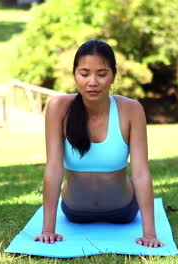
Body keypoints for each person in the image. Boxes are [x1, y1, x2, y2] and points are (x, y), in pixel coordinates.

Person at [33, 40, 163, 248]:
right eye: (84, 74)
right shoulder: (59, 107)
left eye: (101, 74)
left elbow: (140, 172)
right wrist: (48, 230)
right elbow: (53, 169)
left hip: (124, 211)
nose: (92, 82)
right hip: (75, 212)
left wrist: (150, 234)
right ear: (74, 74)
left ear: (113, 76)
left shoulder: (130, 110)